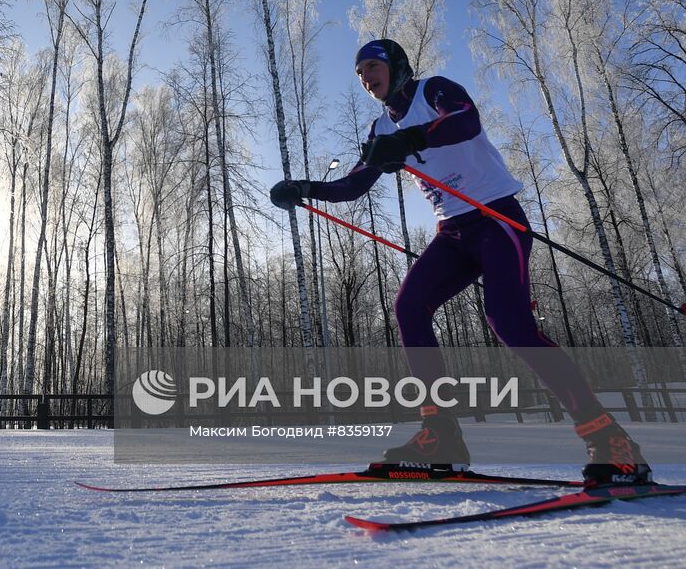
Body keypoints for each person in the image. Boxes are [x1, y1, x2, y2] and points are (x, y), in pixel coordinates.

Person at [270, 38, 650, 486]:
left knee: (510, 325)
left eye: (372, 66)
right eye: (359, 73)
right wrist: (303, 189)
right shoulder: (380, 128)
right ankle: (441, 436)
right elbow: (354, 186)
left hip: (496, 217)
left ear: (396, 65)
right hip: (452, 232)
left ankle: (610, 441)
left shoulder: (434, 90)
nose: (366, 78)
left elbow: (466, 122)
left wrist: (412, 138)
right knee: (409, 306)